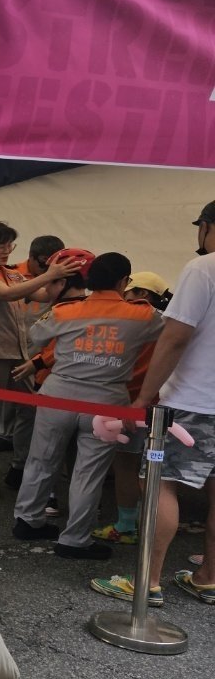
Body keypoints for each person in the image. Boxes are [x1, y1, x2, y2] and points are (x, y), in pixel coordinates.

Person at [92, 204, 215, 609]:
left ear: (207, 228)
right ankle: (208, 578)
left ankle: (148, 582)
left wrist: (144, 398)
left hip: (193, 401)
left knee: (160, 485)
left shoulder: (204, 269)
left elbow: (175, 337)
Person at [12, 252, 161, 560]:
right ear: (123, 281)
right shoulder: (143, 315)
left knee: (41, 460)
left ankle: (27, 520)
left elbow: (35, 335)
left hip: (57, 396)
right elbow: (171, 332)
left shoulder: (66, 310)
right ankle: (74, 540)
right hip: (107, 402)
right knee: (89, 472)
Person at [0, 222, 83, 499]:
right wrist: (49, 274)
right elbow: (7, 294)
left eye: (9, 245)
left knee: (29, 410)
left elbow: (42, 295)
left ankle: (19, 466)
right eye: (0, 246)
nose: (6, 251)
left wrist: (61, 278)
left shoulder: (12, 274)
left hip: (19, 354)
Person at [92, 271, 173, 546]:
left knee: (127, 464)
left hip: (132, 399)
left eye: (128, 292)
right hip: (163, 403)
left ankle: (127, 525)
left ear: (142, 294)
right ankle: (146, 521)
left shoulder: (133, 319)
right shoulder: (169, 321)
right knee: (155, 467)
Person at [0, 235, 66, 454]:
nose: (47, 269)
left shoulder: (60, 279)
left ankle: (23, 450)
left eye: (51, 265)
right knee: (7, 397)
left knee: (31, 402)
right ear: (31, 257)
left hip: (41, 349)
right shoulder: (10, 273)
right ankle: (4, 435)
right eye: (43, 264)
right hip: (11, 343)